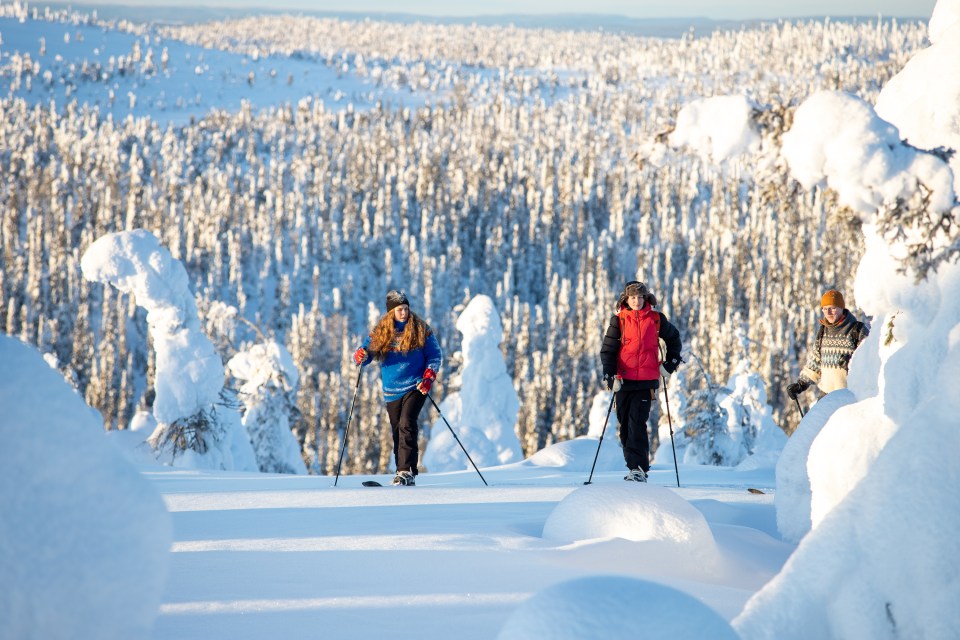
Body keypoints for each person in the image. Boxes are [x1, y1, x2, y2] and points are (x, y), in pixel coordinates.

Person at [353, 290, 443, 486]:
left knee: (406, 423)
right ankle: (401, 473)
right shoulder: (382, 331)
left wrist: (428, 377)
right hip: (391, 390)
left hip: (416, 385)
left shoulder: (421, 329)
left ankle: (406, 471)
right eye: (399, 309)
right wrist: (361, 355)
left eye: (406, 308)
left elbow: (435, 356)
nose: (404, 312)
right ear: (391, 312)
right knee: (397, 431)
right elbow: (367, 352)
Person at [600, 281, 683, 482]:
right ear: (626, 299)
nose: (636, 301)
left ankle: (638, 469)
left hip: (646, 382)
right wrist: (610, 376)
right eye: (633, 297)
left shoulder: (656, 319)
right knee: (626, 427)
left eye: (640, 297)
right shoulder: (618, 321)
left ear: (646, 298)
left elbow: (674, 340)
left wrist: (669, 365)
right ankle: (634, 467)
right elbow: (608, 350)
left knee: (636, 423)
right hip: (623, 381)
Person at [787, 289, 868, 400]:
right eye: (825, 309)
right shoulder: (823, 331)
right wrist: (801, 384)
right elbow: (815, 361)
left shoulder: (857, 330)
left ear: (841, 308)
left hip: (851, 396)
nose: (828, 313)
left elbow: (870, 360)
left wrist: (852, 363)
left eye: (832, 308)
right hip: (827, 396)